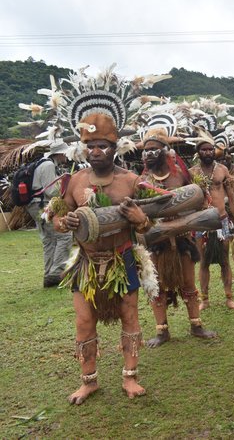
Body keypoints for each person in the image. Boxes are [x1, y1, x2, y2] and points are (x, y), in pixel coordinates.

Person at [51, 98, 159, 404]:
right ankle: (89, 382)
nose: (96, 152)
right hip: (85, 262)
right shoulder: (74, 181)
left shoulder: (131, 181)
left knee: (130, 316)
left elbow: (150, 224)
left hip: (122, 258)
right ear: (83, 147)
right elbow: (57, 219)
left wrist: (142, 221)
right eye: (91, 146)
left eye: (103, 146)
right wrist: (65, 221)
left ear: (115, 147)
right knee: (84, 321)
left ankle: (130, 378)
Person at [138, 127, 218, 348]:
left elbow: (200, 200)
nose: (149, 154)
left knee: (188, 284)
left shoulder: (181, 175)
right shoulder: (141, 181)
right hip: (156, 242)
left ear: (165, 150)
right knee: (157, 287)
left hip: (182, 239)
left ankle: (196, 325)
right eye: (146, 151)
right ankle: (162, 330)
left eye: (154, 149)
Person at [189, 136, 234, 310]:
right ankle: (204, 299)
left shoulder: (222, 170)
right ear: (198, 152)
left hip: (222, 221)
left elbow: (232, 198)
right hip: (201, 223)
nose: (208, 152)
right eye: (204, 150)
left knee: (224, 261)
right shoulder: (192, 173)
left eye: (210, 149)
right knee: (203, 262)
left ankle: (229, 298)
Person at [25, 141, 72, 288]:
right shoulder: (48, 165)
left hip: (34, 205)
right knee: (64, 236)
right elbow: (50, 191)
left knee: (49, 240)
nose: (67, 155)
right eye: (65, 153)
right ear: (59, 153)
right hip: (42, 205)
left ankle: (49, 274)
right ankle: (56, 273)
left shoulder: (41, 163)